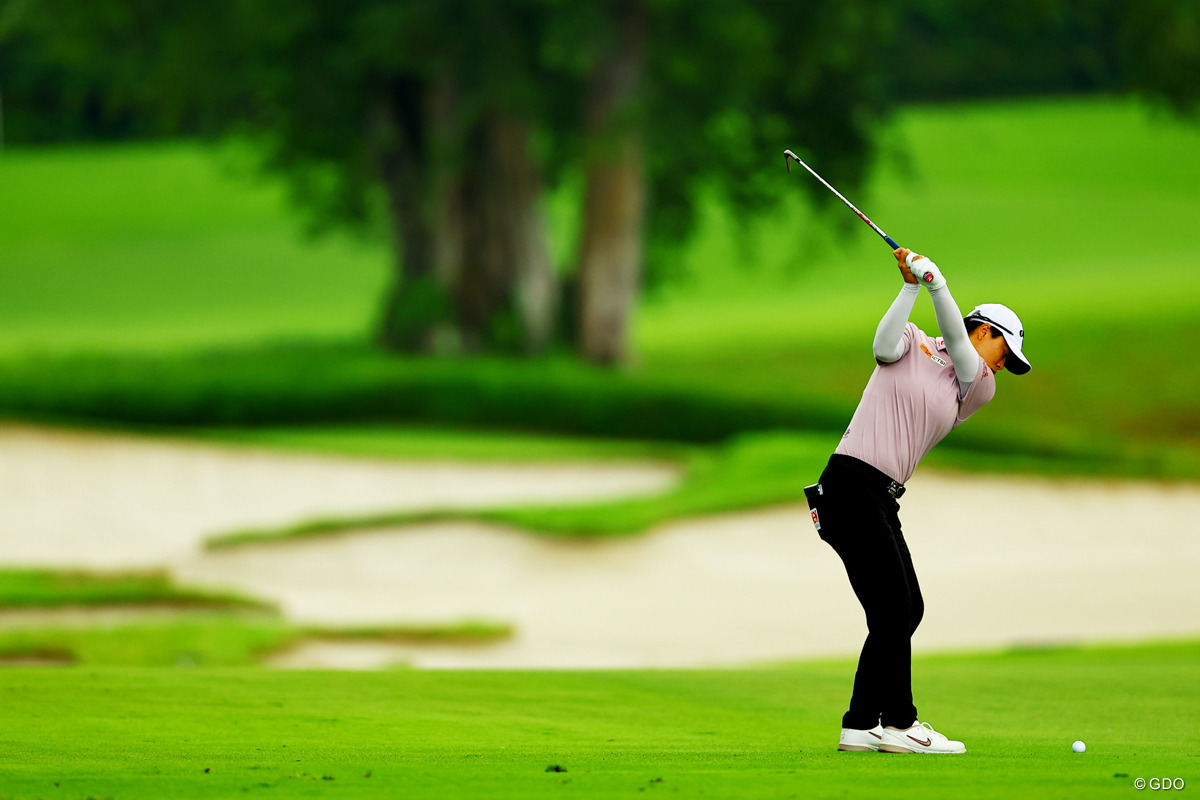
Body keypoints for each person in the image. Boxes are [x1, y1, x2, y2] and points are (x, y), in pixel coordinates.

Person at [804, 247, 1030, 754]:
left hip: (880, 497)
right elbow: (883, 347)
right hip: (847, 486)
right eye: (1005, 351)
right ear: (985, 331)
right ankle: (900, 724)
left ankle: (861, 724)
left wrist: (937, 284)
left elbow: (956, 345)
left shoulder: (975, 385)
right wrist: (911, 286)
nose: (1004, 364)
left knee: (904, 610)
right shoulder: (913, 341)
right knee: (895, 609)